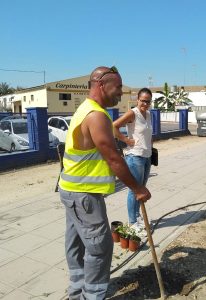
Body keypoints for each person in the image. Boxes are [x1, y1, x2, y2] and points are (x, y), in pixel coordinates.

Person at [59, 66, 151, 300]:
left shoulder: (86, 109)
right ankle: (92, 295)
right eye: (118, 87)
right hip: (84, 195)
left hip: (74, 191)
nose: (121, 92)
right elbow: (113, 158)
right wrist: (137, 188)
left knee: (77, 244)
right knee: (100, 247)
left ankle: (77, 292)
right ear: (102, 85)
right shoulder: (96, 116)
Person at [113, 88, 153, 233]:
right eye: (143, 100)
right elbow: (114, 126)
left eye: (148, 101)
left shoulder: (148, 114)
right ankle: (132, 222)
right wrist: (126, 140)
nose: (145, 104)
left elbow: (148, 135)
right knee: (134, 190)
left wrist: (151, 151)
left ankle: (137, 216)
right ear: (137, 100)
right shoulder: (133, 113)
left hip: (146, 156)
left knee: (141, 188)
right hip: (135, 156)